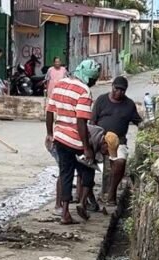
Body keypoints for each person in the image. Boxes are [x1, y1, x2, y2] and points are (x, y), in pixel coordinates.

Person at [46, 59, 101, 224]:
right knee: (88, 170)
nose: (94, 82)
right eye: (94, 79)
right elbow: (81, 121)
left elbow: (49, 111)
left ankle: (65, 213)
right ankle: (83, 204)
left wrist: (50, 133)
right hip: (75, 140)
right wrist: (86, 148)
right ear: (89, 78)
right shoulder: (84, 90)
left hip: (59, 137)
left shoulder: (60, 84)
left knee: (65, 174)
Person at [91, 75, 142, 206]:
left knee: (119, 162)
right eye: (116, 89)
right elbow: (92, 123)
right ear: (112, 87)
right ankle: (87, 198)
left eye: (122, 90)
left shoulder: (129, 105)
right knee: (85, 164)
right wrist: (97, 142)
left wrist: (148, 128)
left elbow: (138, 122)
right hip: (100, 139)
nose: (118, 93)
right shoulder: (102, 100)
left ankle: (111, 193)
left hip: (119, 140)